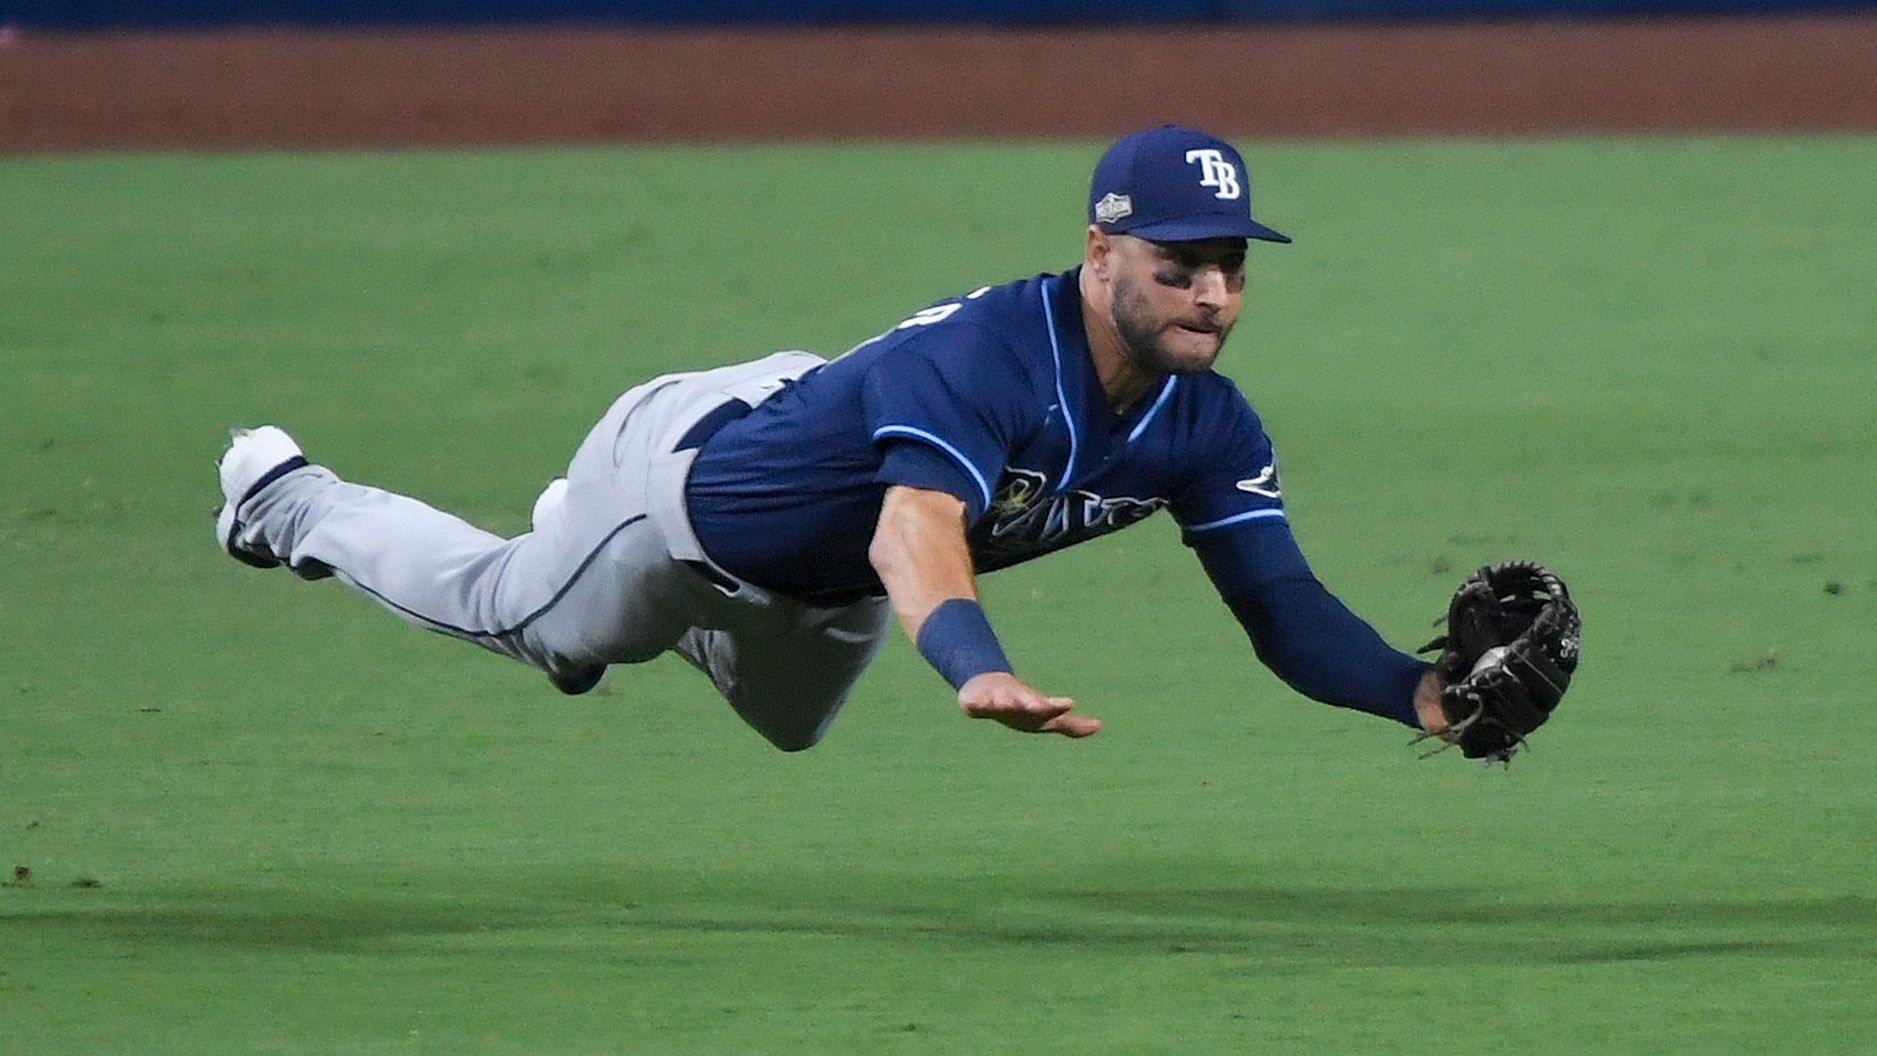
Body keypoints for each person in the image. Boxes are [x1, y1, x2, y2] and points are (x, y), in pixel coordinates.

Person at [214, 124, 1453, 752]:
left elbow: (1280, 604)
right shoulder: (989, 356)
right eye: (1178, 265)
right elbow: (917, 527)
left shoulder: (1205, 424)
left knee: (791, 728)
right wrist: (971, 660)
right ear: (1097, 254)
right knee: (526, 618)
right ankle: (291, 498)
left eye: (1228, 269)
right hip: (690, 490)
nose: (1210, 296)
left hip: (831, 551)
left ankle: (648, 618)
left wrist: (1424, 697)